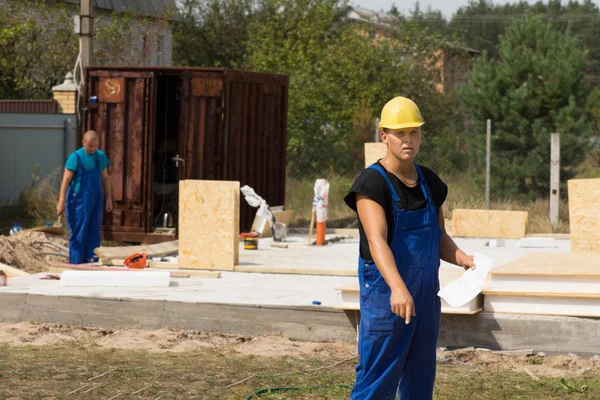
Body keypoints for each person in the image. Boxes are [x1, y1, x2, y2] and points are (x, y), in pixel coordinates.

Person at [344, 96, 476, 399]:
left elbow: (438, 236)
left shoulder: (429, 180)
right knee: (377, 380)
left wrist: (462, 258)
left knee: (420, 379)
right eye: (400, 133)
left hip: (425, 298)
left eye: (414, 132)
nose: (408, 140)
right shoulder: (371, 184)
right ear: (384, 136)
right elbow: (376, 241)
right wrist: (397, 288)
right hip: (387, 296)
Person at [56, 130, 113, 264]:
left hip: (96, 201)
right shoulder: (75, 157)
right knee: (78, 233)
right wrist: (61, 202)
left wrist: (109, 198)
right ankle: (76, 264)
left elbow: (105, 178)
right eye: (89, 146)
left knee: (94, 232)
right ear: (83, 143)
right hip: (78, 203)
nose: (92, 149)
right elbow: (65, 181)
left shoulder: (100, 156)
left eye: (95, 146)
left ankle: (91, 263)